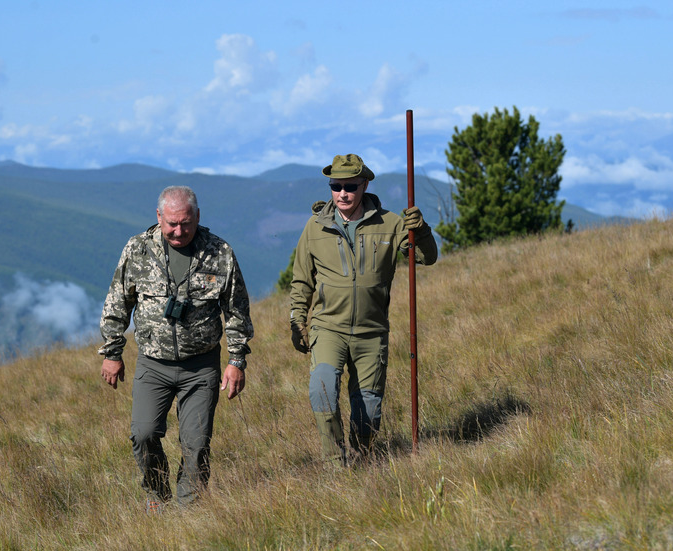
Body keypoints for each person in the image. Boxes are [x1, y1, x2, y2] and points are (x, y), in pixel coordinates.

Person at [98, 185, 253, 510]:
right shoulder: (138, 250)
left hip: (201, 365)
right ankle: (158, 497)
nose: (178, 230)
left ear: (197, 217)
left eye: (185, 223)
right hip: (153, 363)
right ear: (158, 217)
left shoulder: (219, 252)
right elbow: (117, 303)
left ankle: (190, 511)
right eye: (171, 223)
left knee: (196, 444)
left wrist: (236, 359)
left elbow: (236, 309)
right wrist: (112, 353)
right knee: (143, 434)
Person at [289, 154, 437, 466]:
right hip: (328, 328)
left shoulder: (391, 224)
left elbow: (426, 257)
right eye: (336, 186)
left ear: (364, 184)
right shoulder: (315, 227)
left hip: (372, 332)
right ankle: (333, 464)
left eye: (350, 186)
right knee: (323, 391)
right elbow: (302, 278)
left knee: (368, 408)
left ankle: (360, 458)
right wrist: (297, 318)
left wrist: (420, 230)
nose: (342, 193)